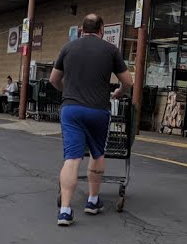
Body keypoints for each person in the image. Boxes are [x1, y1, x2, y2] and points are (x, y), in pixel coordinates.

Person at [50, 14, 133, 226]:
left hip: (71, 110)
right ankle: (93, 201)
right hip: (98, 111)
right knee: (97, 153)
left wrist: (66, 91)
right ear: (102, 29)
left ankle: (66, 211)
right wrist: (118, 93)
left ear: (81, 29)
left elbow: (53, 79)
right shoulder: (110, 50)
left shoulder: (68, 48)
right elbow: (128, 82)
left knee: (72, 158)